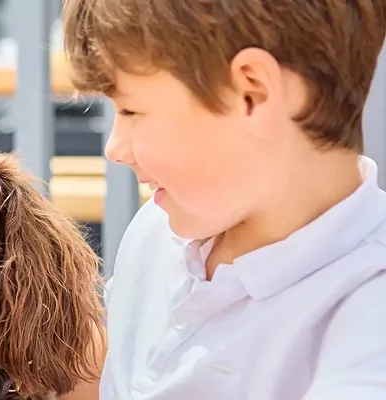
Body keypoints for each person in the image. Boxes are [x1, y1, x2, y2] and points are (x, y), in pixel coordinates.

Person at [60, 0, 386, 399]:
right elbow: (109, 369)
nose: (115, 148)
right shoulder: (159, 229)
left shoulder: (368, 313)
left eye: (130, 110)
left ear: (253, 93)